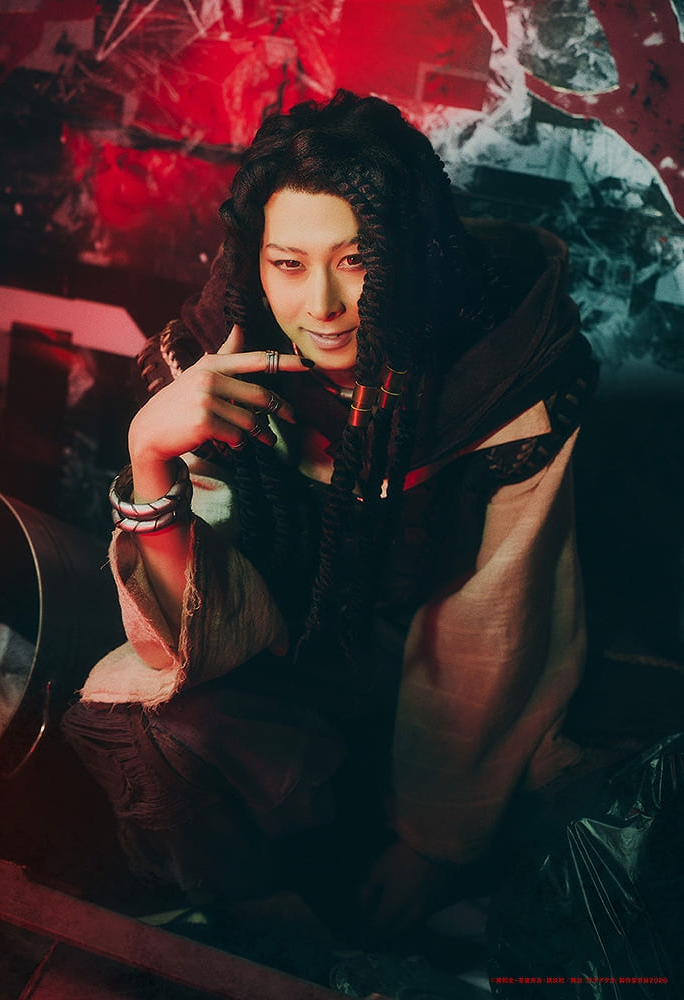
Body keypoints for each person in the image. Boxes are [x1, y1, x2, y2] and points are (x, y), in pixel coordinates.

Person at [62, 89, 597, 944]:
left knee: (568, 832)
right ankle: (265, 936)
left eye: (356, 261)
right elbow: (185, 644)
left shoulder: (503, 382)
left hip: (443, 713)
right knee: (128, 723)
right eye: (288, 264)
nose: (322, 305)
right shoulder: (220, 358)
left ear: (412, 254)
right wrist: (151, 455)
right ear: (255, 261)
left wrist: (431, 842)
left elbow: (492, 630)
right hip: (282, 677)